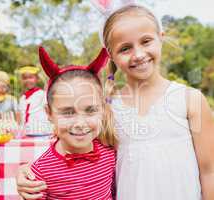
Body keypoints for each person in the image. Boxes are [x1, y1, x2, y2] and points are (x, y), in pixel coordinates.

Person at [15, 1, 214, 200]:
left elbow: (209, 171)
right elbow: (74, 144)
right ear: (110, 55)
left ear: (160, 38)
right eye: (125, 48)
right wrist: (26, 171)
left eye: (146, 41)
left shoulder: (190, 100)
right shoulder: (108, 107)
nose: (138, 54)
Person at [30, 46, 117, 199]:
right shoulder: (41, 172)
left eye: (90, 110)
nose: (80, 123)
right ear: (49, 113)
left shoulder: (110, 154)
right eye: (68, 112)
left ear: (102, 109)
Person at [18, 66, 52, 135]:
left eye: (30, 77)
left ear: (37, 79)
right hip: (26, 132)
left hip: (41, 131)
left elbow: (49, 110)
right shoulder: (22, 98)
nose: (28, 80)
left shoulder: (42, 94)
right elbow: (21, 116)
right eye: (25, 78)